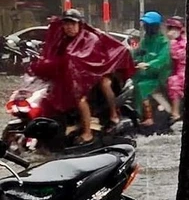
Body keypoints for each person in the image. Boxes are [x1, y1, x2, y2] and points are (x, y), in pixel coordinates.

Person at [31, 9, 134, 144]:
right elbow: (53, 57)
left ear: (80, 24)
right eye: (66, 24)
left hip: (97, 73)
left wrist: (71, 63)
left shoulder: (90, 38)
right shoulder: (61, 40)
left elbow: (87, 60)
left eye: (72, 24)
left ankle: (91, 130)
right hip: (74, 77)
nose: (69, 27)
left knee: (82, 98)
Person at [132, 11, 171, 127]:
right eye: (145, 25)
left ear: (156, 26)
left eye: (149, 25)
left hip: (159, 76)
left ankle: (148, 117)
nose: (146, 28)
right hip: (144, 74)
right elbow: (137, 53)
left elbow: (163, 59)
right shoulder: (145, 40)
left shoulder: (164, 42)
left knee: (142, 86)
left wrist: (149, 64)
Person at [165, 16, 186, 123]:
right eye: (170, 28)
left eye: (175, 28)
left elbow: (177, 57)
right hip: (170, 70)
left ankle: (175, 113)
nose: (172, 31)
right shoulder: (168, 42)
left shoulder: (184, 43)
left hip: (182, 72)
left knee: (174, 82)